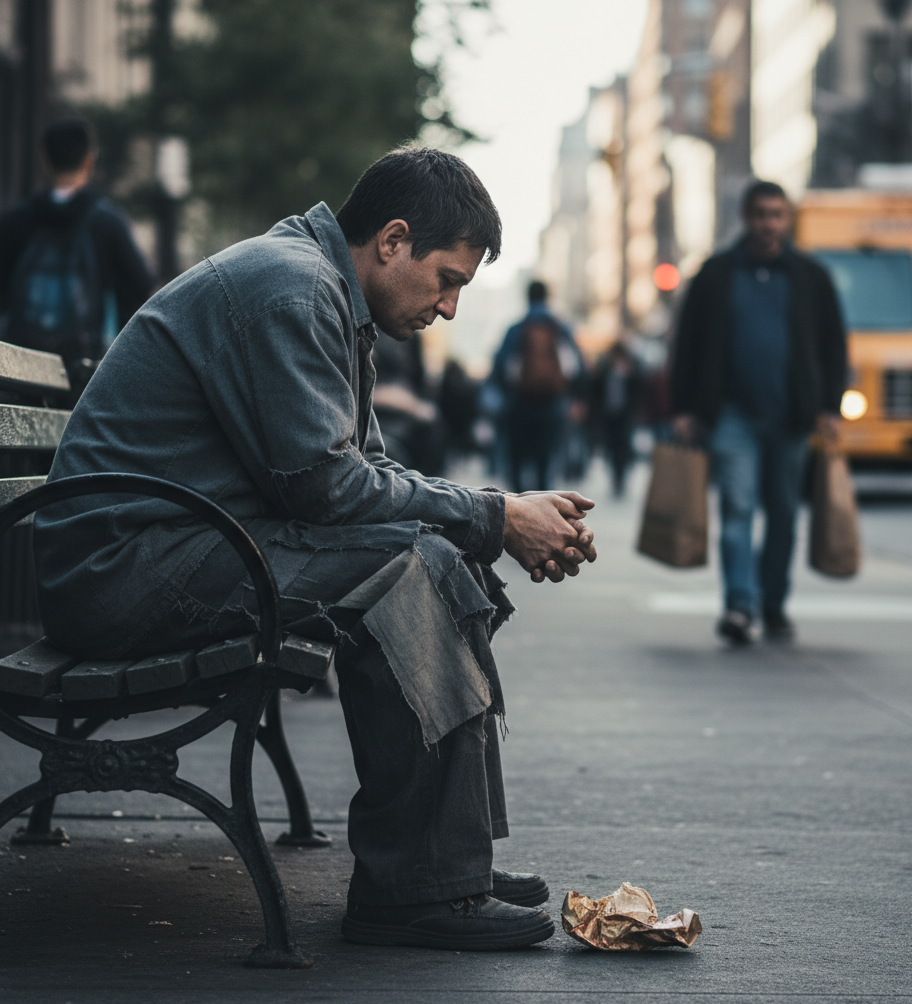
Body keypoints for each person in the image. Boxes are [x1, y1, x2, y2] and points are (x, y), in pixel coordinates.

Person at [32, 147, 598, 952]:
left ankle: (437, 863)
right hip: (124, 572)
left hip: (177, 546)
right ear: (393, 240)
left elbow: (360, 474)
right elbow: (327, 490)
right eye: (448, 280)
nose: (448, 308)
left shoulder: (324, 288)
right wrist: (494, 517)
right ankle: (417, 886)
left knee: (431, 552)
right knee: (415, 566)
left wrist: (495, 516)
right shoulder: (291, 288)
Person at [671, 179, 846, 645]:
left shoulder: (810, 276)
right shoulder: (716, 273)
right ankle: (739, 605)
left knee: (785, 514)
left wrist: (830, 405)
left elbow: (833, 344)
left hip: (792, 416)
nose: (769, 223)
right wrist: (684, 406)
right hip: (731, 415)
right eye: (761, 214)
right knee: (737, 507)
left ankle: (773, 603)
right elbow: (686, 342)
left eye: (777, 214)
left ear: (786, 219)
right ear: (747, 218)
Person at [0, 116, 154, 400]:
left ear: (44, 160)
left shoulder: (16, 220)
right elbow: (140, 291)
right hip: (80, 373)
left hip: (20, 372)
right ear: (88, 160)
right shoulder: (107, 223)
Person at [489, 280, 585, 492]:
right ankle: (542, 507)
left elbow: (499, 367)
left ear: (528, 297)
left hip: (518, 405)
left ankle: (520, 507)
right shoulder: (560, 328)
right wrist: (576, 398)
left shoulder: (516, 329)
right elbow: (578, 366)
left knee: (516, 462)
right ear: (547, 297)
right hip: (552, 406)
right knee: (545, 462)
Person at [590, 339, 643, 497]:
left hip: (625, 416)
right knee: (610, 448)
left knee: (624, 448)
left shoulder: (633, 368)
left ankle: (621, 477)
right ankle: (615, 477)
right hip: (608, 416)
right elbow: (594, 389)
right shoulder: (604, 369)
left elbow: (641, 388)